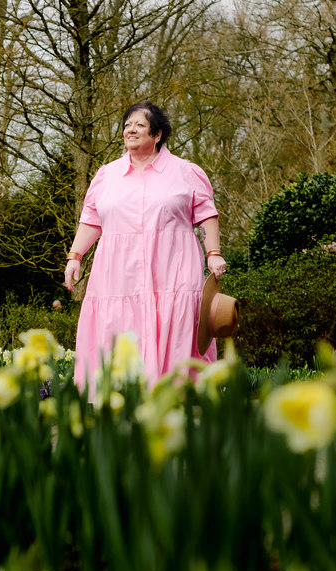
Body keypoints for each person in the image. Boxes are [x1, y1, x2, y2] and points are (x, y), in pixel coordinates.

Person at [64, 101, 226, 390]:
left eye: (139, 124)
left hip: (172, 272)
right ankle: (120, 399)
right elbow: (91, 220)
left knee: (175, 328)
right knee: (119, 329)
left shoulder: (186, 172)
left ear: (158, 134)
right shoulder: (107, 175)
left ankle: (178, 397)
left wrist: (213, 254)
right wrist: (75, 256)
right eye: (127, 125)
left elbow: (206, 215)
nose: (131, 130)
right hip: (118, 276)